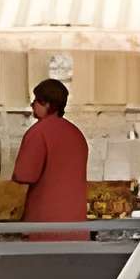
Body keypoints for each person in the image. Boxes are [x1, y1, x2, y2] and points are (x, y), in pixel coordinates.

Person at [12, 78, 90, 221]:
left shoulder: (38, 132)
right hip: (75, 219)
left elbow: (23, 174)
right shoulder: (77, 133)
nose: (32, 104)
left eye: (36, 100)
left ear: (47, 104)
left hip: (46, 219)